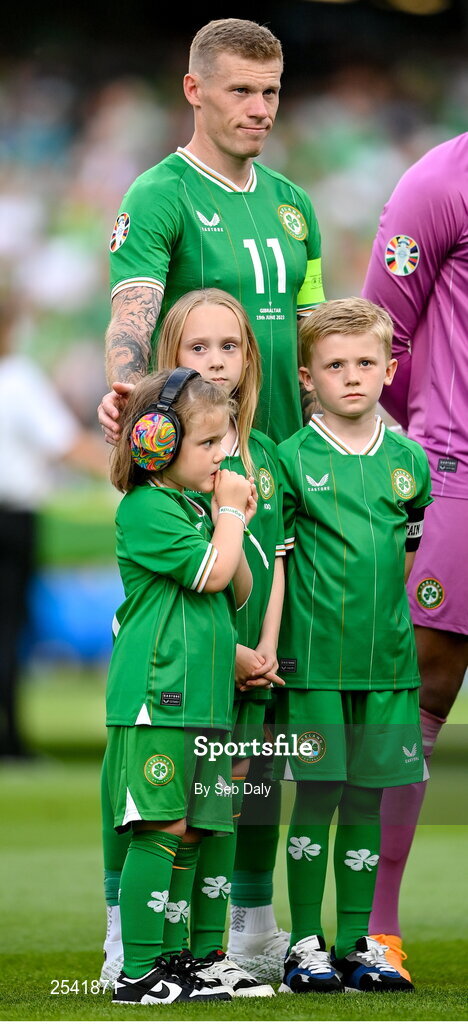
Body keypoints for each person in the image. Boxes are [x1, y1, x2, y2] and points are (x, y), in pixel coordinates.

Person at [99, 16, 325, 976]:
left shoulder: (294, 206)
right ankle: (126, 929)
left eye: (270, 92)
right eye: (240, 90)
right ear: (195, 90)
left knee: (265, 710)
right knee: (172, 705)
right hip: (198, 474)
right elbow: (133, 304)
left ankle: (249, 928)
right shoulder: (159, 194)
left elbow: (313, 332)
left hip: (275, 468)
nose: (259, 109)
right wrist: (122, 381)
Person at [100, 288, 285, 996]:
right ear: (158, 444)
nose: (219, 458)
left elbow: (239, 592)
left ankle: (203, 957)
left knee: (210, 825)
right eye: (207, 445)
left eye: (223, 443)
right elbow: (213, 577)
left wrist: (222, 519)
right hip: (160, 699)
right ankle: (140, 967)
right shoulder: (149, 508)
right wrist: (232, 516)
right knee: (162, 825)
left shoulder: (192, 506)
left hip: (205, 698)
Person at [274, 297, 432, 994]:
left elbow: (406, 555)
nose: (352, 376)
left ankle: (355, 942)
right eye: (334, 365)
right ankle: (303, 941)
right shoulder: (288, 460)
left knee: (367, 802)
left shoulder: (408, 461)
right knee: (316, 797)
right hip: (314, 669)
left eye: (366, 362)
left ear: (389, 369)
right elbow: (277, 562)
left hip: (387, 668)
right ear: (307, 376)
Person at [362, 133, 468, 982]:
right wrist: (434, 439)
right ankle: (378, 931)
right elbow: (377, 339)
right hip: (460, 476)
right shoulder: (440, 179)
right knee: (421, 694)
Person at [0, 299, 108, 759]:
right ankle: (10, 739)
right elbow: (65, 442)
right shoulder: (18, 378)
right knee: (9, 628)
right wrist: (127, 470)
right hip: (11, 518)